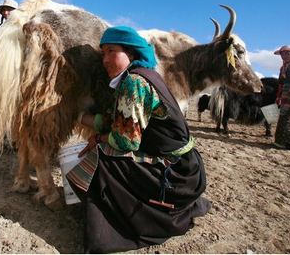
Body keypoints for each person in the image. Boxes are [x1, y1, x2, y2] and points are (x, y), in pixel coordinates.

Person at [66, 26, 211, 253]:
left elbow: (125, 141)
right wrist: (81, 118)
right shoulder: (146, 76)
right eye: (102, 53)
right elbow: (120, 121)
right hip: (188, 168)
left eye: (111, 51)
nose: (104, 59)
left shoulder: (135, 83)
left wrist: (98, 138)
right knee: (102, 147)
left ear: (131, 54)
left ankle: (116, 225)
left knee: (101, 158)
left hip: (176, 173)